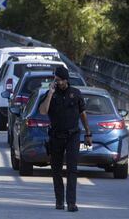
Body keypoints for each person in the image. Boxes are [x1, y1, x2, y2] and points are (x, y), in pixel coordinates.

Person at [39, 66, 92, 212]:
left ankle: (71, 203)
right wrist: (50, 93)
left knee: (72, 170)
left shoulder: (75, 94)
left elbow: (83, 114)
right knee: (56, 170)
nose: (58, 83)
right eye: (55, 80)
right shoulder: (50, 94)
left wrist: (88, 133)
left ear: (66, 80)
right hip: (56, 136)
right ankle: (59, 201)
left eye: (60, 80)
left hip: (73, 136)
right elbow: (43, 111)